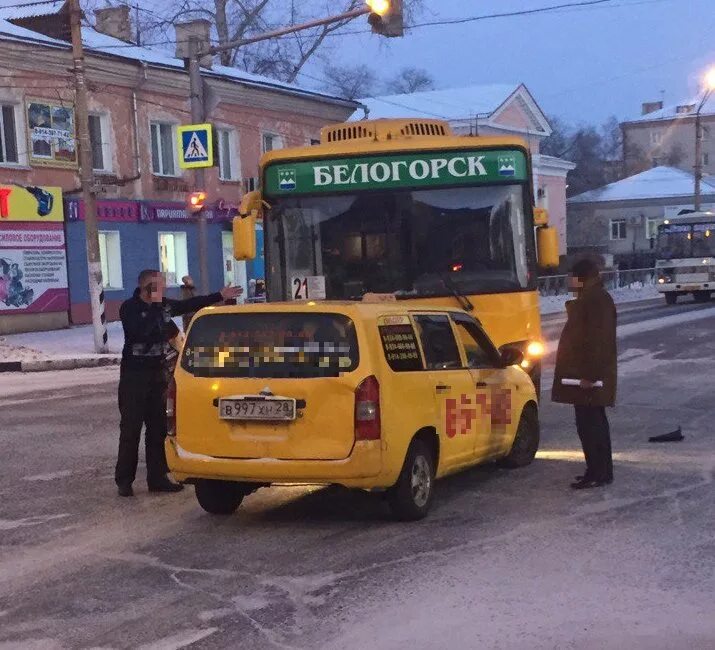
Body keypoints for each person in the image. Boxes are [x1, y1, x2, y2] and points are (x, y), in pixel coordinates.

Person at [115, 269, 242, 497]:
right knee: (130, 429)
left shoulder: (162, 306)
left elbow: (190, 304)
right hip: (134, 377)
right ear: (146, 288)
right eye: (159, 286)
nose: (162, 291)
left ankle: (157, 476)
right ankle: (124, 480)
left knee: (158, 429)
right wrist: (157, 312)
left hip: (158, 375)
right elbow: (140, 332)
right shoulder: (130, 308)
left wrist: (219, 295)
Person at [552, 258, 617, 490]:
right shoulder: (591, 299)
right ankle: (597, 471)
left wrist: (589, 375)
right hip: (585, 377)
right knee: (590, 424)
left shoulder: (595, 301)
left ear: (581, 278)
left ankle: (598, 473)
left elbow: (598, 342)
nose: (569, 280)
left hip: (589, 379)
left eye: (571, 276)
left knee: (591, 426)